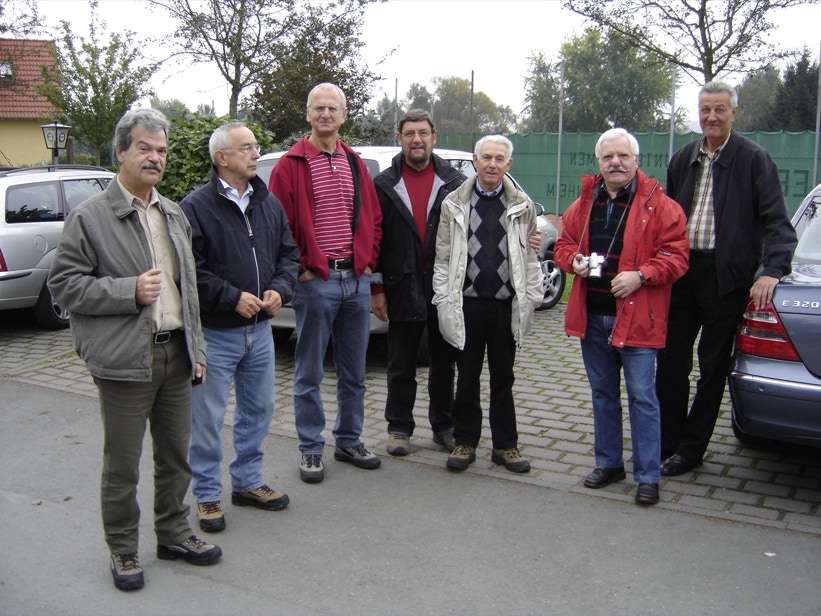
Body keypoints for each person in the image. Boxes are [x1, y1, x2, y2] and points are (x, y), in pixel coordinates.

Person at [47, 108, 221, 592]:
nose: (155, 158)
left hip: (176, 354)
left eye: (161, 150)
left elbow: (188, 291)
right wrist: (127, 291)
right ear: (120, 151)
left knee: (176, 456)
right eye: (144, 148)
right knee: (122, 465)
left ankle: (174, 533)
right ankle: (123, 548)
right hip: (124, 360)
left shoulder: (173, 213)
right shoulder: (89, 217)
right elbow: (64, 285)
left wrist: (198, 348)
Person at [656, 81, 798, 476]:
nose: (712, 117)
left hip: (726, 279)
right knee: (669, 363)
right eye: (705, 110)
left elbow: (776, 222)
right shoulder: (682, 158)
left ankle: (691, 449)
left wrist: (772, 271)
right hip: (682, 274)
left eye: (720, 109)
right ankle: (667, 442)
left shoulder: (754, 159)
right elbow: (669, 219)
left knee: (712, 366)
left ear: (734, 113)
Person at [554, 128, 689, 505]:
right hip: (593, 318)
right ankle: (609, 463)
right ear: (599, 162)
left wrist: (641, 275)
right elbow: (563, 244)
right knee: (602, 395)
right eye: (608, 157)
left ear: (636, 160)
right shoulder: (584, 203)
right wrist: (573, 261)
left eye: (623, 156)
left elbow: (677, 256)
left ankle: (648, 476)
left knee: (643, 397)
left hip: (637, 319)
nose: (615, 162)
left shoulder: (661, 206)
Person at [179, 122, 299, 533]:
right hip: (215, 333)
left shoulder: (267, 202)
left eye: (255, 146)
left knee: (258, 410)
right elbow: (189, 270)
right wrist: (231, 297)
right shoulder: (195, 207)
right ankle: (207, 494)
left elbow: (289, 254)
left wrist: (281, 289)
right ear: (221, 157)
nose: (255, 154)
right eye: (246, 147)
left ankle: (247, 482)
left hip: (260, 332)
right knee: (207, 418)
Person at [269, 83, 383, 484]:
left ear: (343, 115)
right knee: (309, 372)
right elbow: (277, 224)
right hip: (316, 282)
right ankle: (310, 448)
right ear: (308, 114)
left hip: (355, 281)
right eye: (318, 108)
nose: (325, 115)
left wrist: (367, 263)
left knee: (354, 372)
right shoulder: (290, 165)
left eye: (333, 108)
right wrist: (301, 267)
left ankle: (349, 440)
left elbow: (373, 219)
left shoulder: (354, 162)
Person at [432, 134, 543, 474]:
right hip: (466, 304)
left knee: (503, 377)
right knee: (467, 377)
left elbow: (530, 257)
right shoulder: (453, 203)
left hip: (505, 305)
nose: (492, 165)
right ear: (475, 161)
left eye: (499, 159)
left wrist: (532, 298)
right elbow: (443, 257)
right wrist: (442, 298)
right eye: (487, 158)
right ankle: (465, 441)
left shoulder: (523, 205)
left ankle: (505, 445)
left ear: (509, 164)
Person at [370, 109, 465, 456]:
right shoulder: (383, 184)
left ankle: (444, 427)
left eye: (423, 133)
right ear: (400, 139)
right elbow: (375, 239)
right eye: (409, 134)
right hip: (400, 286)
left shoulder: (455, 183)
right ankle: (399, 428)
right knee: (401, 365)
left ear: (433, 137)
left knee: (444, 364)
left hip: (442, 288)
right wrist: (377, 288)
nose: (417, 140)